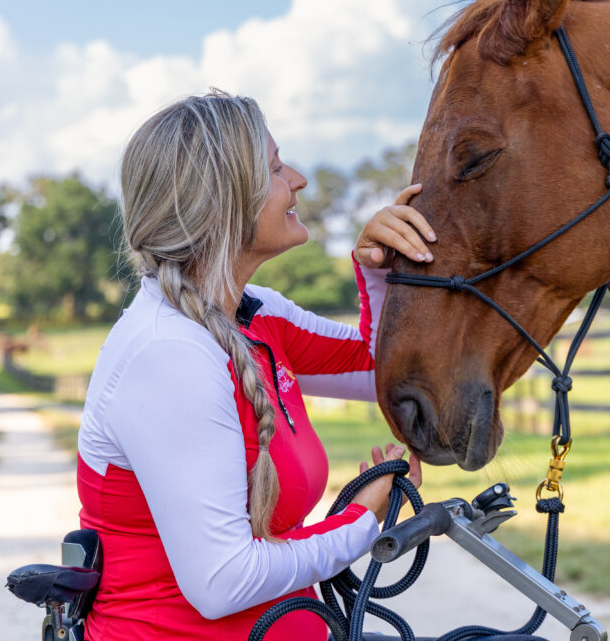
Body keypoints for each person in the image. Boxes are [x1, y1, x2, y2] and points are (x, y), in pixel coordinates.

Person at [75, 90, 436, 640]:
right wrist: (362, 519)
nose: (297, 179)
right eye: (273, 167)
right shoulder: (167, 356)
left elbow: (385, 373)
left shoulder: (254, 312)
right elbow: (224, 581)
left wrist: (382, 273)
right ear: (224, 200)